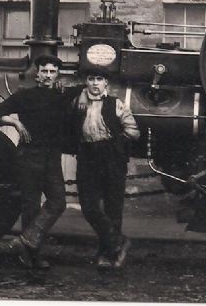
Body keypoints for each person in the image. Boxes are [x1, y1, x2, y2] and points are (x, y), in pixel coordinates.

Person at [0, 54, 80, 269]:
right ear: (37, 74)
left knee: (58, 202)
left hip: (52, 156)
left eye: (52, 71)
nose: (48, 75)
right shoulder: (24, 96)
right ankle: (31, 256)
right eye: (44, 71)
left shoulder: (62, 95)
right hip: (29, 156)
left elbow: (85, 87)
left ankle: (25, 242)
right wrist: (16, 124)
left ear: (58, 74)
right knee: (30, 205)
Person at [73, 70, 140, 269]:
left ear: (106, 83)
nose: (95, 83)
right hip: (87, 155)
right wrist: (82, 94)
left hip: (111, 157)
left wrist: (116, 145)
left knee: (113, 207)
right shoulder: (77, 102)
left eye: (99, 79)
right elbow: (64, 93)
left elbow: (134, 132)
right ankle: (118, 241)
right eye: (91, 79)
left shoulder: (116, 104)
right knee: (89, 206)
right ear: (86, 81)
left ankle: (108, 253)